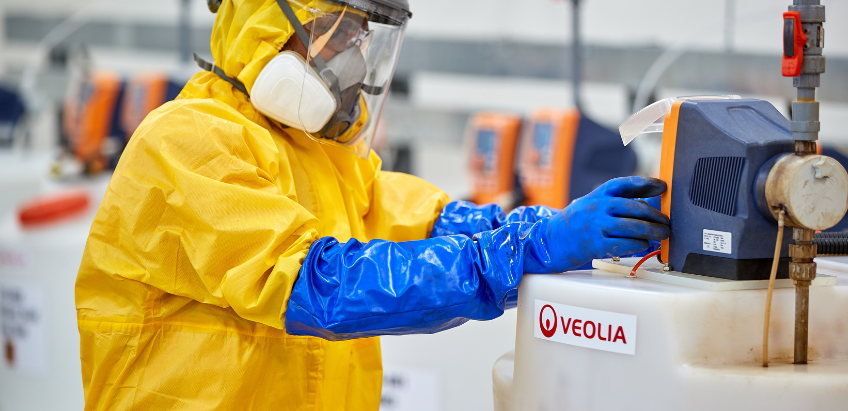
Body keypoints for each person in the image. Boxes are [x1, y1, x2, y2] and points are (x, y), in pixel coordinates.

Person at [75, 0, 670, 410]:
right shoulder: (189, 141)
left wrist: (558, 225)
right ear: (270, 22)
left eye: (366, 37)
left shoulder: (317, 155)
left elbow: (424, 217)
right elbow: (324, 285)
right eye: (342, 29)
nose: (355, 58)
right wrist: (535, 247)